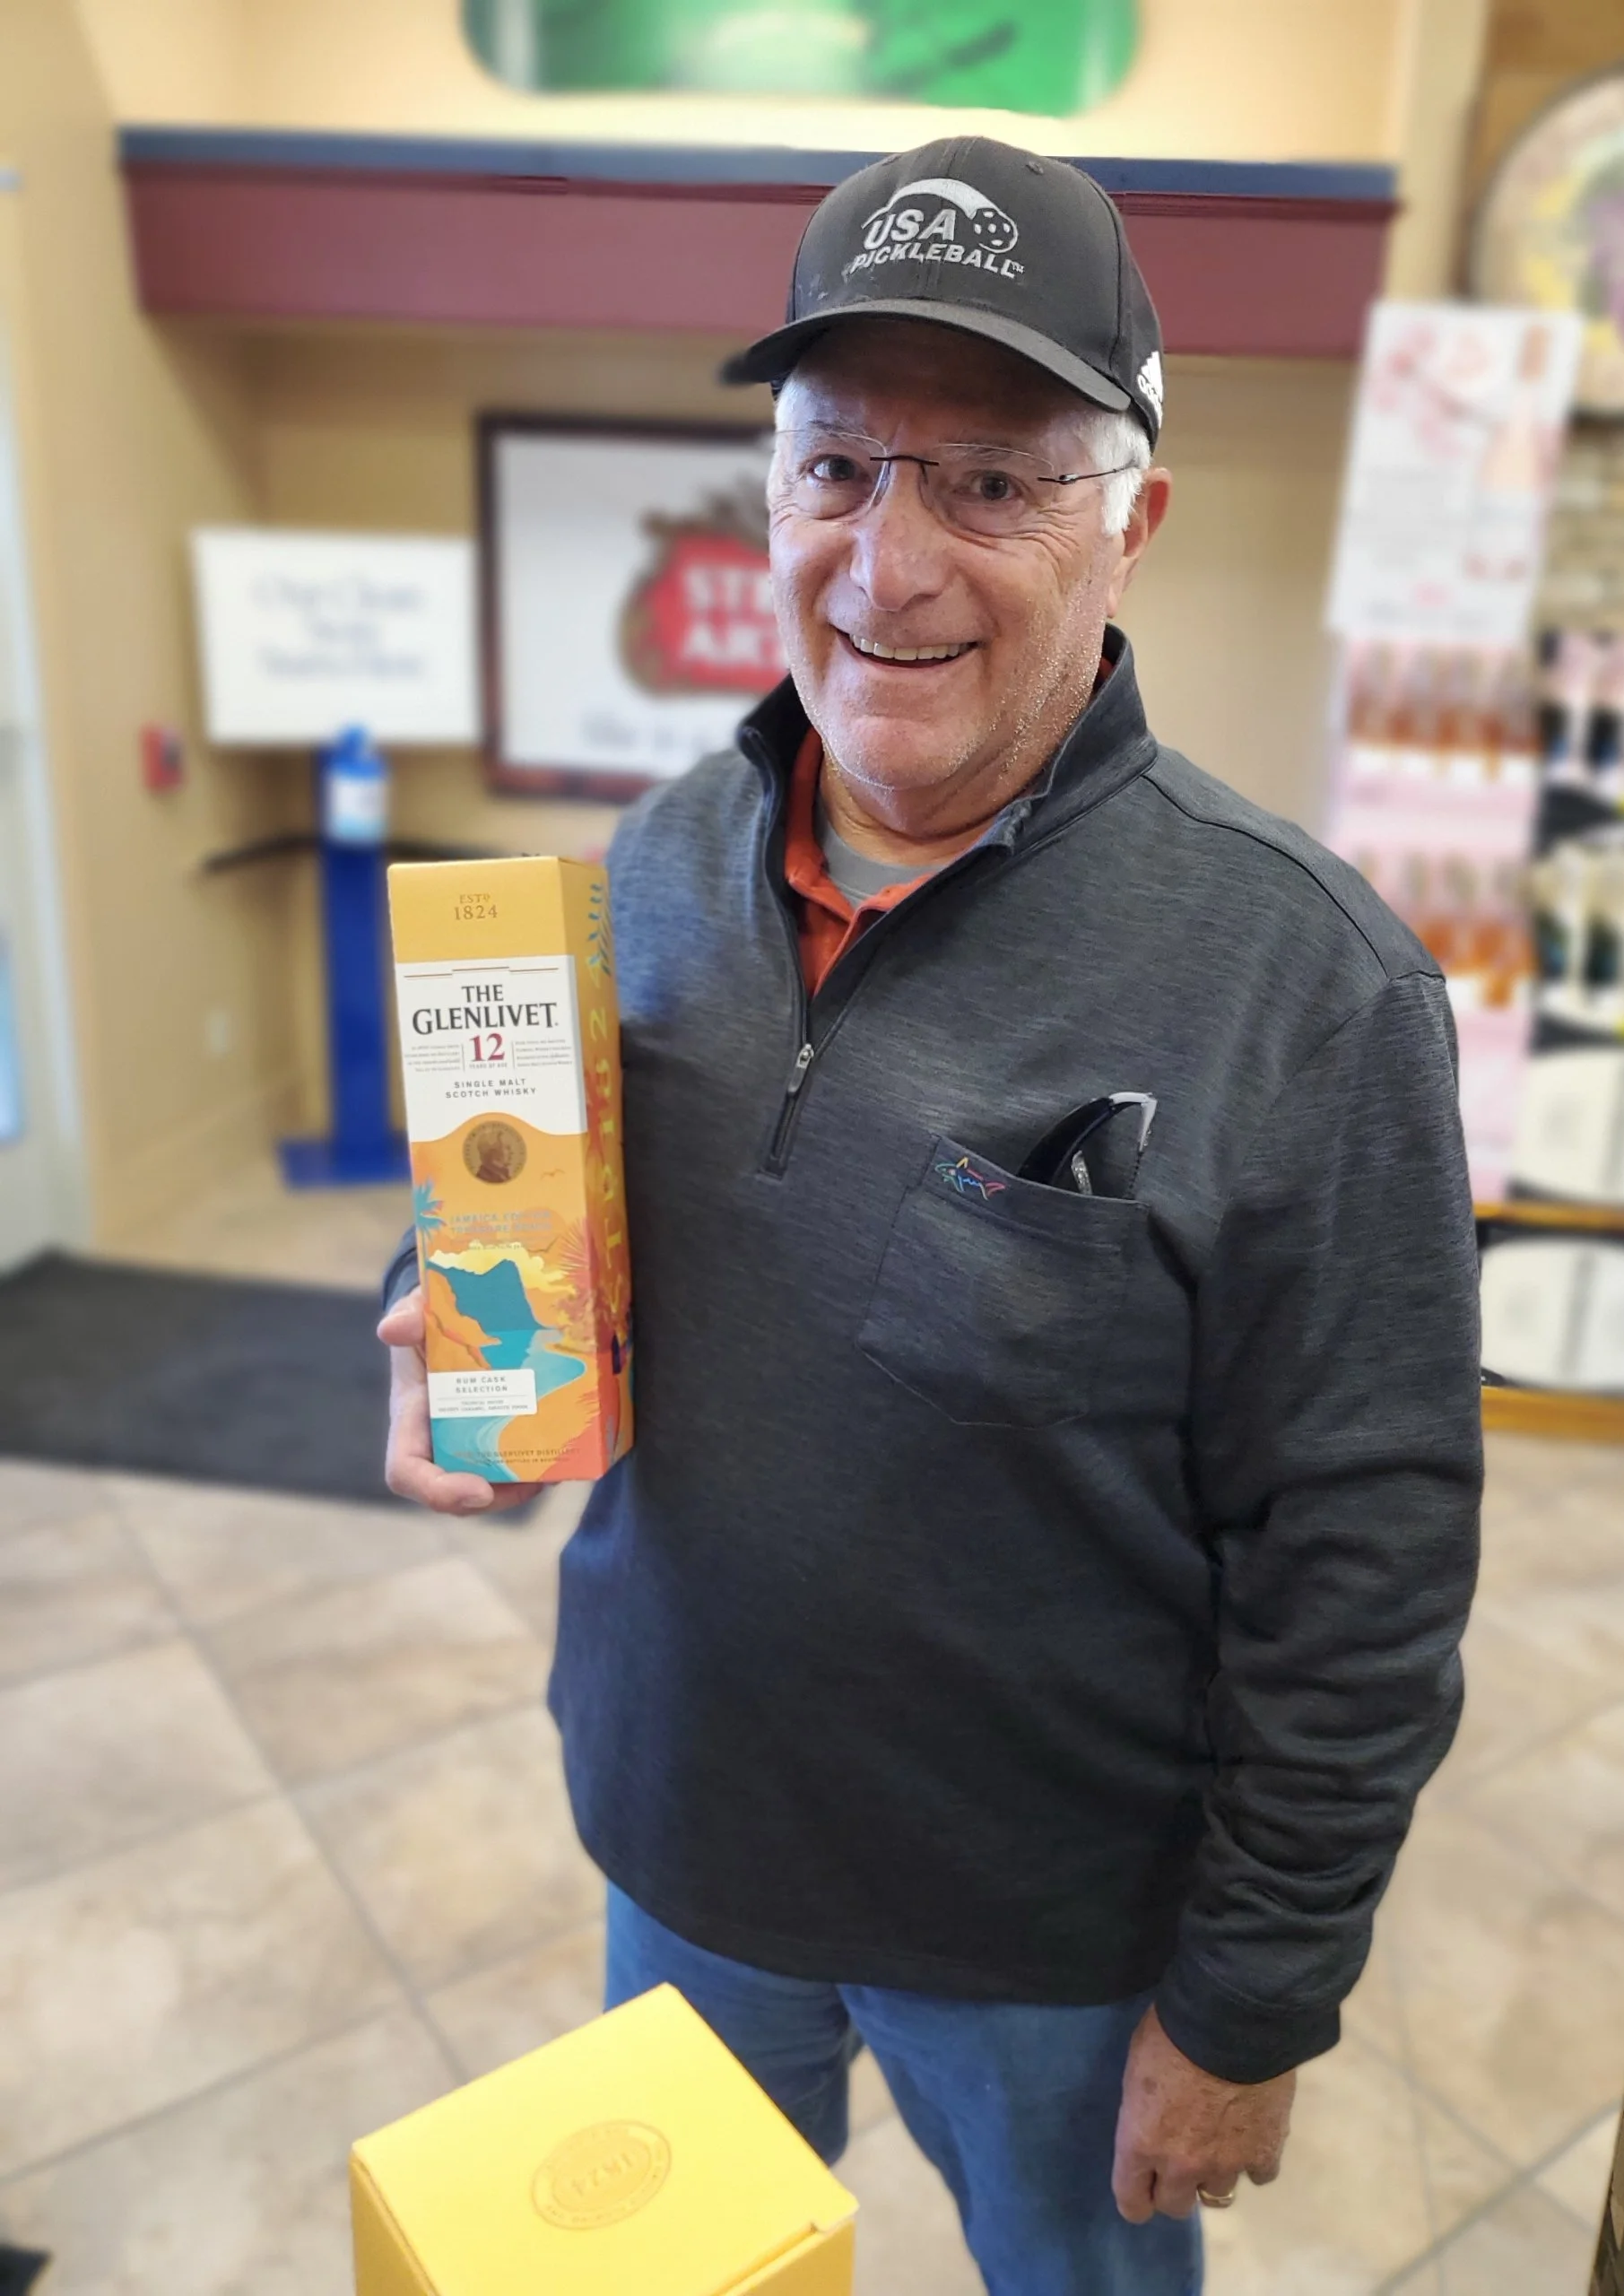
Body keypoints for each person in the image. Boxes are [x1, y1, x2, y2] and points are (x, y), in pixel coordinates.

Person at [379, 136, 1481, 2296]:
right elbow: (527, 1201)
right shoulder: (652, 868)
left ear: (1131, 521)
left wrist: (1251, 2000)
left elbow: (1366, 1558)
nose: (890, 564)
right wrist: (448, 1307)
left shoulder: (1310, 985)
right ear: (769, 492)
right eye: (836, 467)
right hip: (688, 1839)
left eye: (991, 482)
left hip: (1051, 1935)